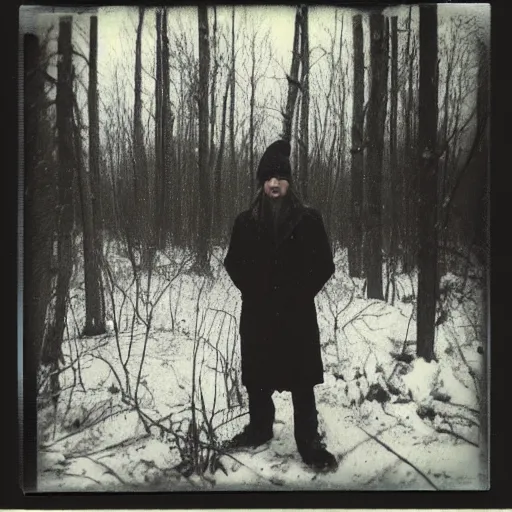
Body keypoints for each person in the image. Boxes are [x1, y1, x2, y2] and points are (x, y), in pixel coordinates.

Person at [223, 139, 338, 472]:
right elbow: (233, 263)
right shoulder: (245, 222)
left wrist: (299, 294)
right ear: (262, 182)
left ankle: (308, 442)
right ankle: (260, 429)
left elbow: (325, 265)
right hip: (258, 314)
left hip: (296, 316)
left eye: (281, 178)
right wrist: (255, 291)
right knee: (258, 375)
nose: (275, 184)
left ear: (290, 182)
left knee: (301, 380)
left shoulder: (307, 220)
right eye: (269, 178)